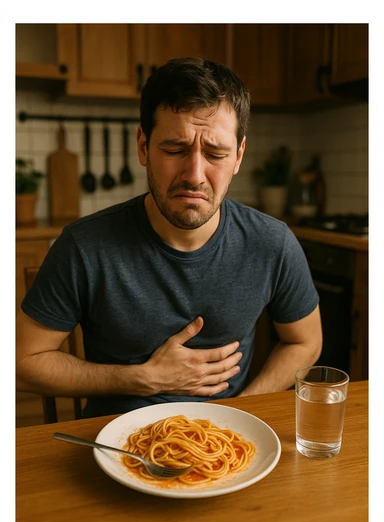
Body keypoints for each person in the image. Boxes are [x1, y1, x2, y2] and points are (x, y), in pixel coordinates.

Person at [16, 57, 322, 418]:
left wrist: (243, 409)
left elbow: (305, 341)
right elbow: (22, 363)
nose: (194, 175)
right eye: (175, 149)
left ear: (238, 156)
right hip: (112, 445)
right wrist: (143, 379)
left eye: (215, 153)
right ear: (143, 147)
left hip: (228, 444)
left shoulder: (273, 242)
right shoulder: (84, 246)